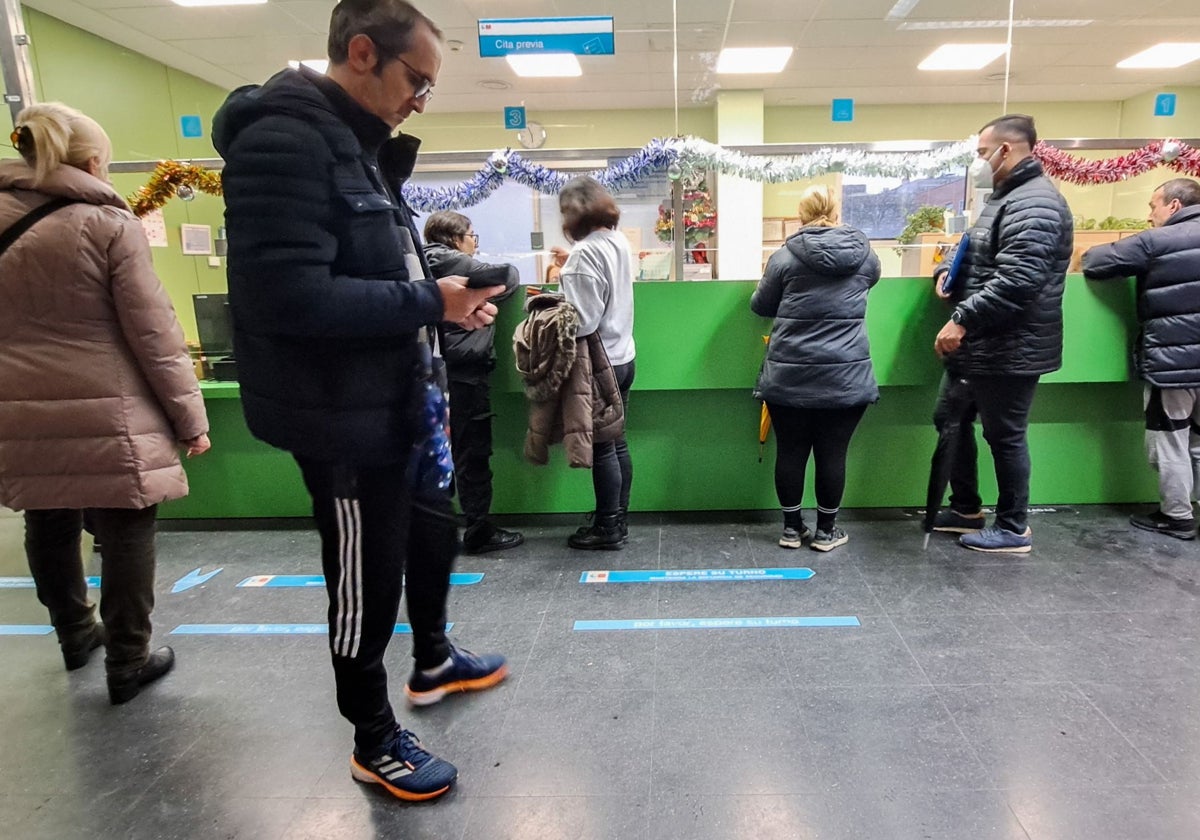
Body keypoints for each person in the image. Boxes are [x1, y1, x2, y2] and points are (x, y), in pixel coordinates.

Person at [212, 0, 508, 802]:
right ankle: (372, 737)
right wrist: (430, 304)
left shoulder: (358, 147)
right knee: (365, 580)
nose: (422, 99)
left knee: (432, 536)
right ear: (364, 54)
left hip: (399, 403)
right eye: (418, 80)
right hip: (343, 420)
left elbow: (377, 272)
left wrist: (449, 303)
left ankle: (436, 654)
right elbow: (291, 300)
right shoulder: (284, 140)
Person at [0, 102, 210, 704]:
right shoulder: (105, 224)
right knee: (125, 525)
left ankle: (73, 634)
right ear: (95, 162)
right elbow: (155, 334)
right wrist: (189, 421)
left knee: (46, 517)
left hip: (16, 408)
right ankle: (128, 659)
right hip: (107, 409)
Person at [931, 113, 1073, 553]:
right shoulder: (1004, 197)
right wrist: (946, 274)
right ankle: (967, 508)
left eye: (980, 153)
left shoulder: (1036, 203)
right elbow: (981, 258)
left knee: (1005, 435)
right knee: (949, 418)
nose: (978, 162)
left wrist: (963, 317)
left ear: (1005, 150)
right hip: (985, 345)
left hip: (1011, 344)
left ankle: (1013, 527)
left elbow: (1019, 279)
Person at [751, 186, 879, 551]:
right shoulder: (866, 257)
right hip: (846, 375)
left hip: (790, 375)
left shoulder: (784, 258)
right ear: (835, 214)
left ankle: (792, 529)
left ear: (802, 215)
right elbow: (868, 285)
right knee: (833, 453)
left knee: (790, 451)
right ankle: (827, 532)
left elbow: (761, 305)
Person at [1081, 178, 1200, 539]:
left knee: (1170, 438)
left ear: (1174, 206)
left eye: (1153, 206)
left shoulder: (1159, 240)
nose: (1150, 215)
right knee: (1198, 442)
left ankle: (1177, 515)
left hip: (1174, 364)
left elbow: (1095, 261)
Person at [422, 211, 524, 553]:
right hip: (465, 373)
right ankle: (478, 529)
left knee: (432, 454)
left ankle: (432, 529)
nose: (474, 243)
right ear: (455, 239)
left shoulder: (420, 263)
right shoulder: (451, 261)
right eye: (472, 236)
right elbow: (508, 276)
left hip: (431, 370)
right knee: (472, 453)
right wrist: (482, 294)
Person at [557, 177, 636, 549]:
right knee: (617, 442)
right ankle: (618, 517)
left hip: (598, 362)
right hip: (623, 355)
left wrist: (554, 298)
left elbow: (583, 321)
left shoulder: (583, 254)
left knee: (604, 447)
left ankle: (607, 528)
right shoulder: (617, 241)